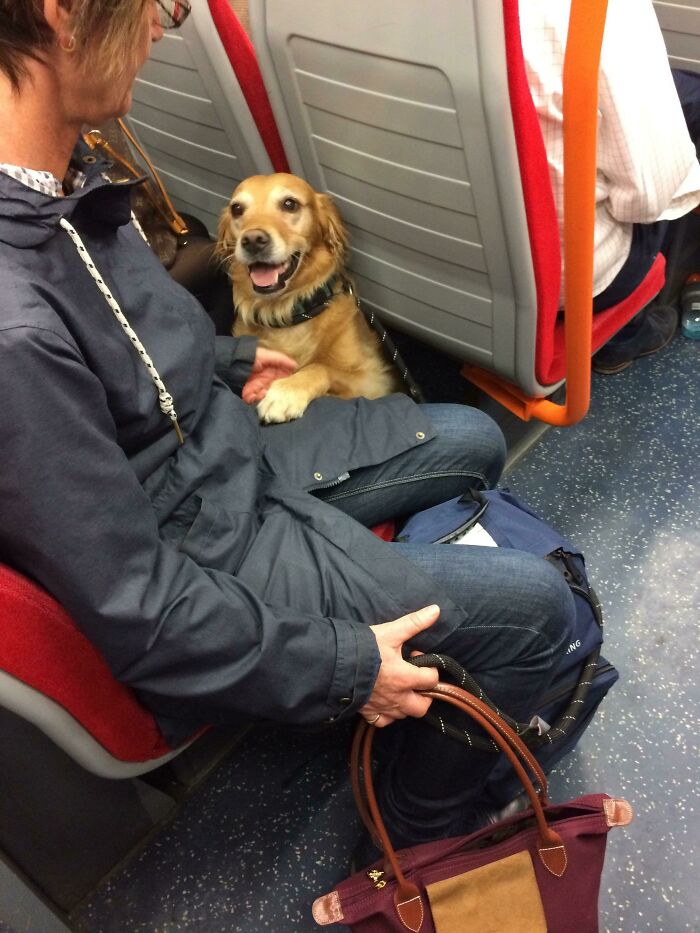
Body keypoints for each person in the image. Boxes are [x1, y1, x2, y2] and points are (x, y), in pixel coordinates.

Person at [0, 0, 575, 853]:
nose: (165, 28)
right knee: (542, 610)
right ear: (62, 16)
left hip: (220, 463)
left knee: (474, 437)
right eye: (159, 5)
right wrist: (345, 666)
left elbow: (124, 355)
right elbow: (143, 607)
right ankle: (417, 833)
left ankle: (404, 598)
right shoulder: (14, 330)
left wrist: (230, 366)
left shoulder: (63, 176)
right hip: (203, 552)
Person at [520, 0, 700, 374]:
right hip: (569, 285)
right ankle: (624, 336)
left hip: (419, 266)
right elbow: (649, 198)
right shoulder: (602, 10)